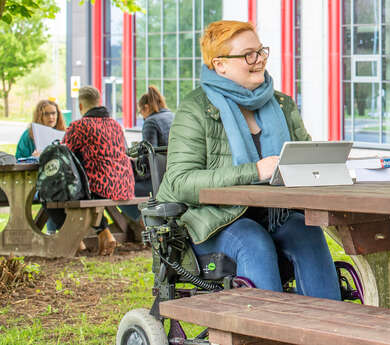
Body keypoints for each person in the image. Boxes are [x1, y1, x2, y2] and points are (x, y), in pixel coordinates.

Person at [156, 20, 340, 298]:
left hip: (275, 213)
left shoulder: (282, 104)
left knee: (307, 232)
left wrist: (323, 167)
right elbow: (180, 182)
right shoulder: (195, 109)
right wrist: (253, 171)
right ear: (220, 65)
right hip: (212, 221)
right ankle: (266, 335)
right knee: (253, 240)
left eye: (261, 52)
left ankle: (328, 330)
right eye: (248, 55)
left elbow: (305, 160)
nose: (259, 60)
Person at [49, 86, 135, 255]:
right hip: (124, 185)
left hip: (99, 187)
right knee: (83, 193)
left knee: (51, 195)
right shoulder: (116, 125)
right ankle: (103, 233)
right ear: (99, 102)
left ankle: (77, 242)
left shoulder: (80, 126)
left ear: (81, 106)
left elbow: (62, 155)